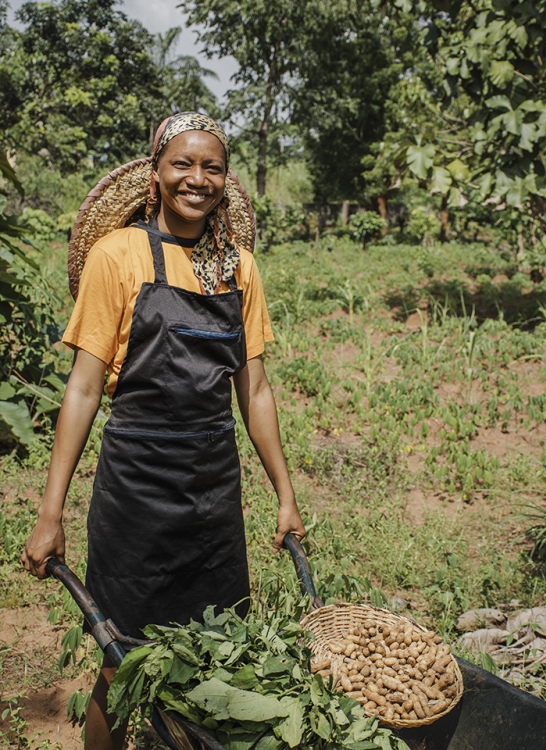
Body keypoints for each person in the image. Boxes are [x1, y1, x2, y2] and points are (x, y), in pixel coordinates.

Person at [20, 112, 305, 750]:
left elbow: (253, 389)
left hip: (213, 490)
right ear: (156, 173)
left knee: (220, 651)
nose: (196, 179)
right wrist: (50, 510)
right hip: (136, 490)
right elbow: (84, 388)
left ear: (226, 182)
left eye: (212, 167)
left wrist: (285, 494)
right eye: (182, 163)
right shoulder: (117, 256)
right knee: (123, 660)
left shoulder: (238, 268)